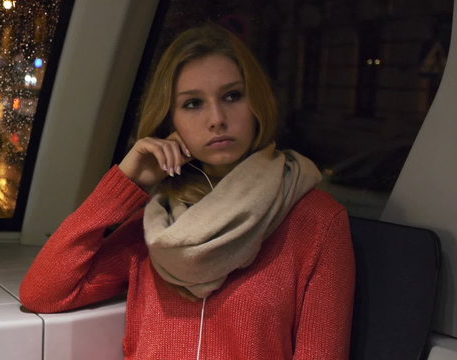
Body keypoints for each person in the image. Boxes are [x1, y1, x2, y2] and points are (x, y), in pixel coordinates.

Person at [20, 23, 355, 360]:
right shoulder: (157, 222)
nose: (217, 119)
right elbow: (43, 292)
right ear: (171, 121)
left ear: (257, 102)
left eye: (232, 96)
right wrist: (128, 181)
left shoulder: (317, 220)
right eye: (193, 103)